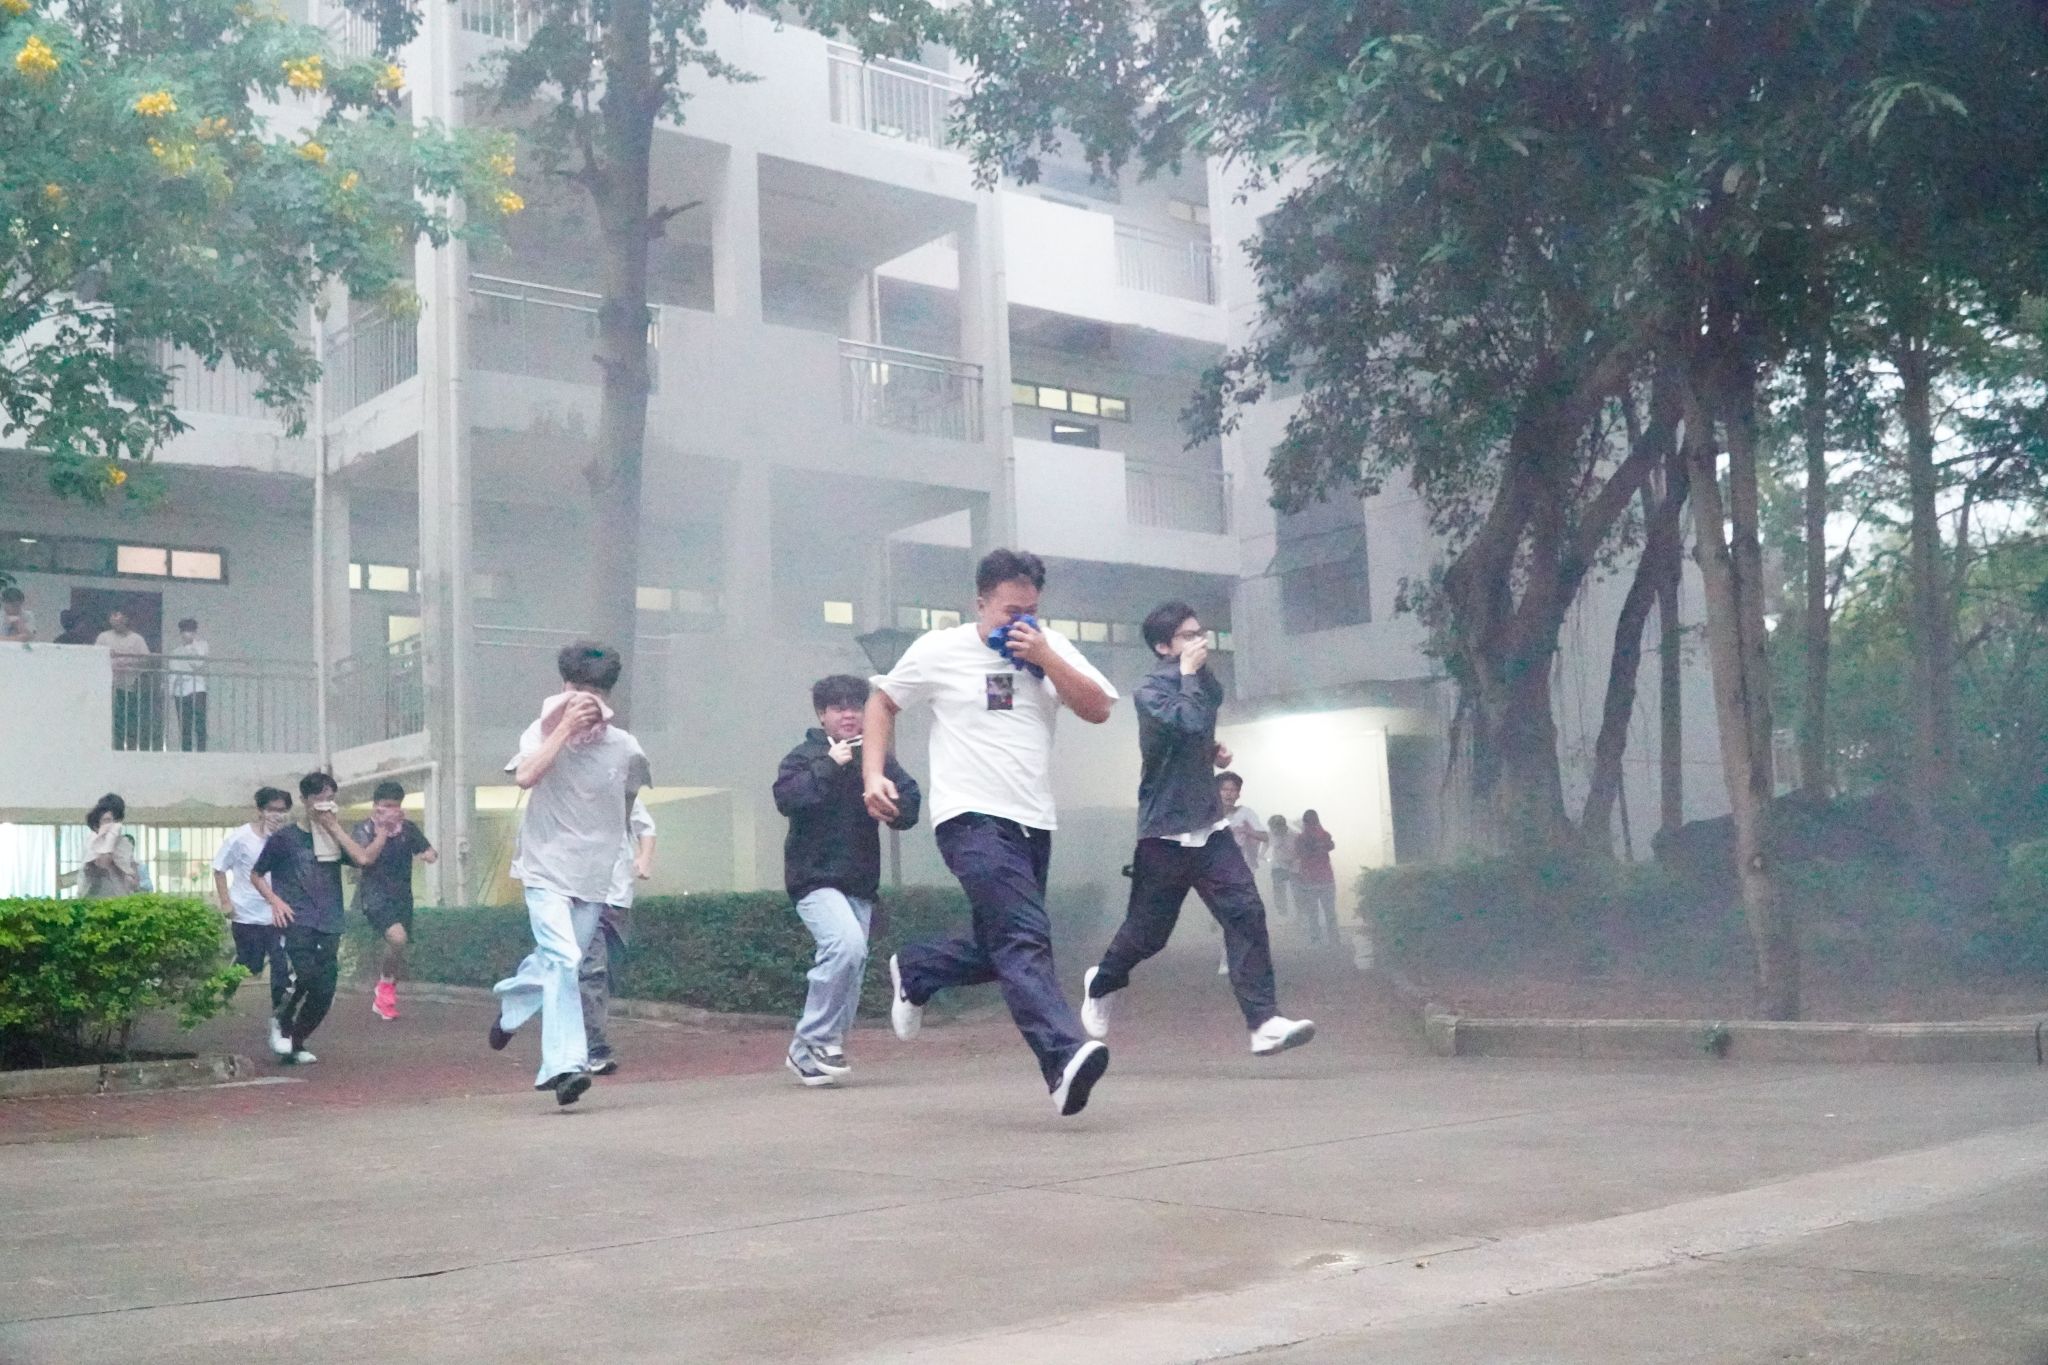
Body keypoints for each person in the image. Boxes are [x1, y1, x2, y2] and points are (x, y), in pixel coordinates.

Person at [864, 548, 1118, 1117]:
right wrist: (874, 774)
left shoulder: (1050, 648)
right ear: (980, 603)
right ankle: (1063, 1059)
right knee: (1025, 937)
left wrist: (1046, 656)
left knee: (999, 945)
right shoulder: (940, 650)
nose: (1021, 622)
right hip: (969, 818)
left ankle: (917, 970)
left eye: (1031, 611)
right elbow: (882, 702)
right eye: (1010, 612)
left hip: (1033, 821)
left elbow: (1099, 708)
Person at [1078, 603, 1315, 1057]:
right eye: (1188, 636)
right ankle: (1102, 981)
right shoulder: (1149, 690)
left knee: (1246, 912)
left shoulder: (1200, 682)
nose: (1200, 641)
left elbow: (1205, 713)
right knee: (1148, 935)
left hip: (1210, 829)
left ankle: (1264, 1022)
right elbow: (1185, 723)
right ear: (1162, 646)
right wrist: (1189, 677)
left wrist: (1211, 749)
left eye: (1200, 633)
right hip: (1164, 834)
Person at [489, 640, 649, 1109]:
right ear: (565, 688)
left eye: (597, 693)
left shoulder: (625, 747)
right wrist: (562, 731)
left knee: (560, 961)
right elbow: (525, 777)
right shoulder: (539, 733)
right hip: (544, 868)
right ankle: (565, 1066)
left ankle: (512, 1007)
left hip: (593, 875)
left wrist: (624, 857)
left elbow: (629, 804)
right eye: (579, 690)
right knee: (563, 958)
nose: (587, 701)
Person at [774, 674, 922, 1087]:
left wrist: (891, 806)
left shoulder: (876, 758)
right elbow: (787, 798)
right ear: (822, 715)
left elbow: (910, 804)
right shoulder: (804, 756)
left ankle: (816, 1049)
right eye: (839, 708)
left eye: (856, 707)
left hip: (859, 881)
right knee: (845, 946)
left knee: (853, 962)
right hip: (813, 878)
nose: (849, 715)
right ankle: (815, 1039)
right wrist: (829, 764)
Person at [250, 772, 389, 1065]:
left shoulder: (334, 837)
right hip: (297, 919)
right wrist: (275, 901)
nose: (325, 804)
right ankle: (281, 1023)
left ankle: (297, 1042)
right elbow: (257, 874)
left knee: (324, 989)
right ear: (305, 800)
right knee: (304, 975)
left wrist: (345, 829)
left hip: (330, 920)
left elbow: (363, 859)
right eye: (319, 798)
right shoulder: (285, 838)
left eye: (330, 798)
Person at [213, 788, 296, 1053]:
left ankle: (279, 1020)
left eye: (283, 810)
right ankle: (233, 973)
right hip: (246, 913)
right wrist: (226, 902)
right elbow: (219, 868)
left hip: (277, 914)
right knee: (252, 966)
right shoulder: (240, 837)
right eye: (272, 809)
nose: (277, 815)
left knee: (281, 966)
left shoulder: (289, 838)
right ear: (260, 810)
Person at [352, 780, 438, 1022]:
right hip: (374, 895)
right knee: (397, 937)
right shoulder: (363, 829)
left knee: (399, 946)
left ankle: (386, 987)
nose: (391, 811)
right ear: (376, 806)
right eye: (386, 806)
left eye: (395, 806)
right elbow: (365, 859)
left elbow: (429, 851)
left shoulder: (408, 829)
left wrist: (428, 855)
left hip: (402, 896)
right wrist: (382, 832)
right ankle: (384, 986)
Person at [582, 796, 655, 1076]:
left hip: (619, 898)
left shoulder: (624, 791)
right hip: (584, 897)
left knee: (606, 974)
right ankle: (594, 1049)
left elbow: (646, 827)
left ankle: (521, 1000)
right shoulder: (572, 792)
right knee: (593, 972)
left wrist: (644, 858)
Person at [97, 610, 152, 750]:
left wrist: (128, 662)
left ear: (126, 620)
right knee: (109, 717)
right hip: (107, 686)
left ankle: (129, 748)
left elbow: (146, 659)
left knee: (129, 718)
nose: (116, 622)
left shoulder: (137, 639)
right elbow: (95, 657)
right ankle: (111, 746)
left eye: (119, 619)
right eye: (113, 619)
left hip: (130, 685)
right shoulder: (103, 637)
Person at [78, 793, 142, 898]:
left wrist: (130, 877)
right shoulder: (92, 842)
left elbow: (134, 879)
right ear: (97, 824)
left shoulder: (124, 843)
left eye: (116, 820)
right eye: (107, 820)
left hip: (120, 899)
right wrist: (109, 841)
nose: (113, 825)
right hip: (95, 900)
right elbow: (101, 864)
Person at [1295, 810, 1338, 946]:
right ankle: (1334, 939)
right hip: (1326, 879)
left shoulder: (1301, 838)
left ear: (1304, 822)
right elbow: (1331, 845)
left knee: (1312, 913)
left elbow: (1300, 853)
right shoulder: (1324, 835)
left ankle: (1316, 939)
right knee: (1330, 912)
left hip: (1309, 880)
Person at [167, 618, 209, 752]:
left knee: (200, 720)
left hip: (198, 687)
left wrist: (192, 647)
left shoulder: (202, 646)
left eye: (190, 631)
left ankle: (202, 751)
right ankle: (186, 752)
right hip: (180, 690)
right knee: (185, 724)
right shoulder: (176, 651)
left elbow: (198, 663)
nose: (187, 634)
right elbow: (173, 672)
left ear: (195, 632)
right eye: (184, 631)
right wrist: (170, 691)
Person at [1266, 813, 1298, 921]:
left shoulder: (1294, 835)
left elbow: (1300, 851)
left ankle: (1299, 914)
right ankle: (1282, 914)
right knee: (1279, 891)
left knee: (1296, 891)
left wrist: (1293, 860)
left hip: (1294, 866)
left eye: (1275, 828)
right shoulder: (1270, 834)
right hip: (1278, 865)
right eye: (1272, 828)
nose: (1274, 831)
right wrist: (1261, 855)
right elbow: (1266, 843)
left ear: (1283, 826)